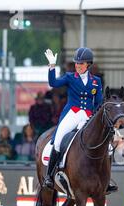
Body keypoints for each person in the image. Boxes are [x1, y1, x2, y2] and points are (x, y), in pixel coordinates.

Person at [43, 48, 116, 193]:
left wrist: (95, 117)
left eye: (81, 63)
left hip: (88, 116)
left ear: (88, 64)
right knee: (57, 140)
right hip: (73, 113)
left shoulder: (96, 81)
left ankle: (106, 180)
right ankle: (49, 176)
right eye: (76, 63)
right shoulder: (70, 77)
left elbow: (99, 102)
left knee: (106, 147)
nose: (78, 66)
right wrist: (52, 66)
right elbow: (53, 83)